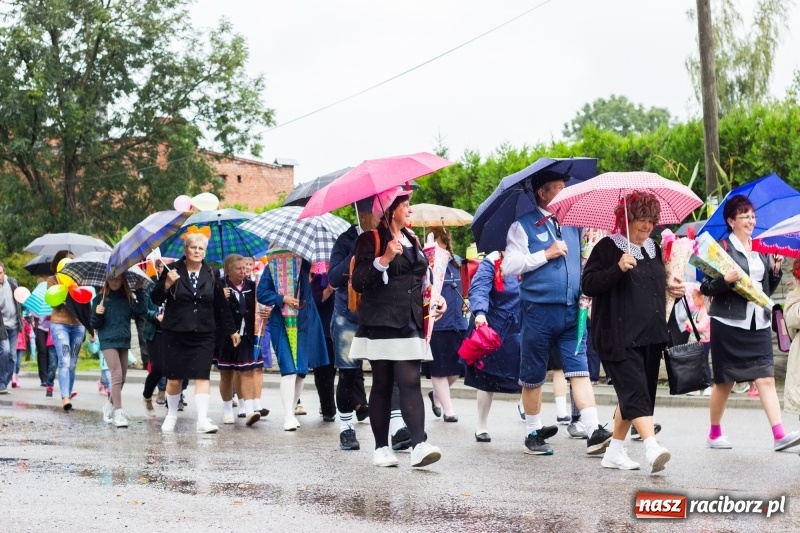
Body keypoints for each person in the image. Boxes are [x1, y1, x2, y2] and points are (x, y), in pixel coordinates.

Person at [502, 170, 610, 456]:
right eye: (558, 188)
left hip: (573, 310)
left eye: (565, 186)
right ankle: (533, 433)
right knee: (533, 375)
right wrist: (545, 254)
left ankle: (593, 430)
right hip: (537, 310)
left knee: (580, 369)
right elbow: (509, 266)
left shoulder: (573, 224)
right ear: (542, 193)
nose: (565, 192)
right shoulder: (522, 226)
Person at [582, 191, 682, 473]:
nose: (647, 226)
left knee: (635, 396)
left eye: (651, 220)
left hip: (651, 336)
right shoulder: (607, 247)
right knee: (636, 393)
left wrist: (673, 289)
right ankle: (652, 447)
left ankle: (614, 452)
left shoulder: (654, 248)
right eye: (641, 219)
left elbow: (654, 288)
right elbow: (588, 285)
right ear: (626, 219)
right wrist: (617, 268)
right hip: (617, 337)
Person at [349, 186, 446, 468]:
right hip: (380, 323)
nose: (410, 209)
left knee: (411, 380)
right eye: (405, 205)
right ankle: (381, 448)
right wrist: (384, 260)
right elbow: (359, 281)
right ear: (391, 209)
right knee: (382, 383)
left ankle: (418, 445)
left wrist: (436, 300)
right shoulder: (371, 239)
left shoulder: (412, 238)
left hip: (410, 321)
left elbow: (422, 279)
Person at [699, 194, 800, 452]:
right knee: (725, 382)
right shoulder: (721, 248)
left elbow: (764, 290)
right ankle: (714, 433)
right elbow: (706, 287)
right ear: (731, 221)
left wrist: (774, 270)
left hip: (759, 322)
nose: (751, 221)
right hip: (728, 323)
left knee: (766, 377)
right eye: (745, 216)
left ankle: (779, 435)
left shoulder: (760, 250)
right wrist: (725, 280)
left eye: (753, 216)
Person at [151, 233, 239, 434]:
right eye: (193, 247)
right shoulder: (172, 270)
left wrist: (231, 329)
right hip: (175, 332)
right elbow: (155, 298)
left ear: (204, 252)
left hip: (204, 332)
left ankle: (202, 420)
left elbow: (220, 304)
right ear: (186, 250)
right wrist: (167, 284)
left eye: (201, 248)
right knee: (175, 378)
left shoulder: (211, 272)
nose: (197, 251)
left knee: (202, 375)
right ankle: (171, 415)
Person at [327, 198, 381, 451]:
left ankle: (395, 426)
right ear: (363, 213)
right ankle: (346, 428)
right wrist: (356, 250)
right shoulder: (346, 239)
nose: (380, 216)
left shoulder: (386, 237)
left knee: (386, 372)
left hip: (379, 315)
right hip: (347, 316)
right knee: (348, 373)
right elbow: (334, 278)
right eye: (377, 212)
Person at [257, 251, 328, 431]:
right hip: (281, 322)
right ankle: (288, 415)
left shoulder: (306, 263)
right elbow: (262, 293)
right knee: (288, 370)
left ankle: (292, 410)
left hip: (305, 322)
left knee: (301, 372)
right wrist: (282, 298)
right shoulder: (272, 266)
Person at [463, 251, 522, 442]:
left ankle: (533, 426)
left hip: (521, 327)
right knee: (486, 380)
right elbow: (479, 288)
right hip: (494, 327)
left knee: (529, 376)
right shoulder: (492, 261)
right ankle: (481, 426)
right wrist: (480, 312)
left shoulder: (530, 257)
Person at [215, 254, 267, 427]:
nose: (243, 271)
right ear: (228, 271)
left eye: (244, 268)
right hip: (226, 337)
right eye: (238, 268)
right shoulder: (219, 286)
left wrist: (265, 313)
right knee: (227, 374)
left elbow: (259, 307)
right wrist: (221, 297)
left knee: (247, 371)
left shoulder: (252, 286)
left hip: (247, 336)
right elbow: (214, 311)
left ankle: (250, 410)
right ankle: (227, 410)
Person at [91, 274, 147, 427]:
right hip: (108, 340)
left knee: (122, 378)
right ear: (106, 280)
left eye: (117, 278)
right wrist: (97, 313)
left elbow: (142, 311)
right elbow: (94, 324)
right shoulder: (99, 299)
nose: (114, 282)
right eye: (111, 279)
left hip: (123, 340)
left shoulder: (127, 299)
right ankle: (118, 411)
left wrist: (140, 291)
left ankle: (109, 405)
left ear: (122, 280)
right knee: (116, 374)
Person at [424, 226, 468, 423]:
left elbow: (467, 288)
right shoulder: (426, 263)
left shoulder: (457, 262)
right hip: (437, 323)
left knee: (458, 368)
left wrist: (467, 300)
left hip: (459, 322)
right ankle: (448, 410)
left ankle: (436, 394)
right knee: (439, 368)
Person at [47, 250, 84, 410]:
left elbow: (84, 302)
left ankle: (68, 392)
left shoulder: (79, 280)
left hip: (78, 327)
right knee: (65, 360)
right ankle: (65, 398)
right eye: (68, 260)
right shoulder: (52, 280)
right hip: (60, 325)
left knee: (73, 362)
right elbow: (53, 303)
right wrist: (64, 287)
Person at [310, 270, 337, 422]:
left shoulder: (346, 276)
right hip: (323, 332)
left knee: (351, 370)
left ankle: (358, 404)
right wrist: (328, 290)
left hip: (341, 329)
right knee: (324, 373)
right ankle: (328, 409)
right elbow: (313, 302)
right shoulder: (319, 279)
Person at [0, 261, 24, 395]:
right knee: (5, 351)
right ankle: (1, 383)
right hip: (2, 326)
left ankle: (5, 381)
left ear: (4, 272)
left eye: (0, 273)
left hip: (14, 324)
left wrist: (25, 319)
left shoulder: (13, 282)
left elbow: (21, 301)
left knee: (13, 356)